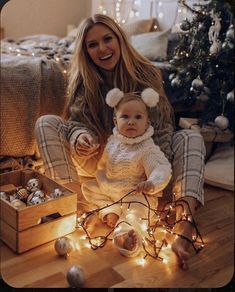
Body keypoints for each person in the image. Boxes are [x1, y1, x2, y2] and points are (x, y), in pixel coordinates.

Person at [35, 14, 206, 269]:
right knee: (46, 122)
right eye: (92, 45)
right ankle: (72, 209)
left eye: (107, 39)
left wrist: (154, 173)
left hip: (145, 173)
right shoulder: (84, 79)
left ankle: (184, 227)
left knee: (191, 135)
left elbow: (162, 131)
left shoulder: (147, 73)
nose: (102, 49)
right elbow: (75, 123)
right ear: (85, 50)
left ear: (120, 39)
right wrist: (80, 137)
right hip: (103, 164)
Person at [81, 87, 172, 257]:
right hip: (109, 189)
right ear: (116, 121)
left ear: (147, 122)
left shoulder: (146, 148)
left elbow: (162, 168)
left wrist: (151, 183)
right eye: (125, 116)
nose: (131, 122)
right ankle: (111, 211)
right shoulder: (113, 140)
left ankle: (125, 232)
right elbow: (103, 166)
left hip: (134, 194)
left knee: (138, 211)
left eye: (138, 117)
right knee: (89, 188)